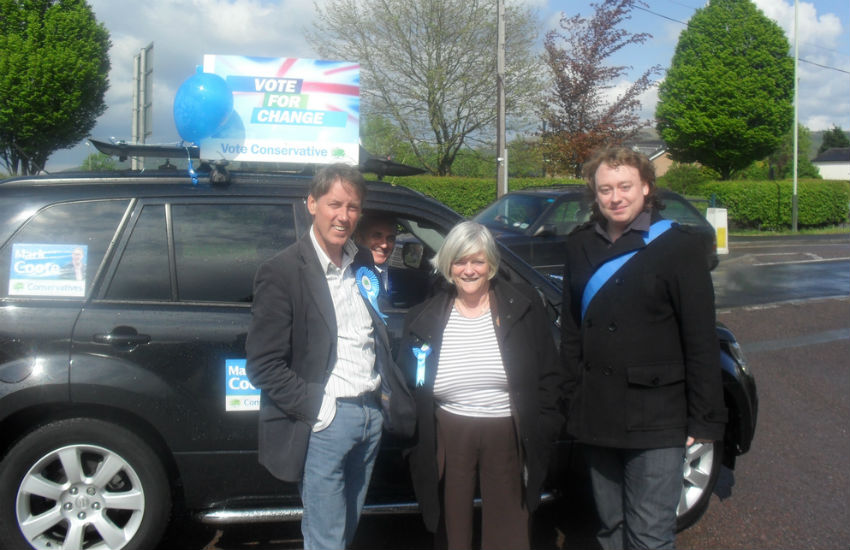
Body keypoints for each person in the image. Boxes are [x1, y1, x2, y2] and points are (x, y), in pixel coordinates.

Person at [560, 146, 728, 549]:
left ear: (646, 188)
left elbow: (701, 339)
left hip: (657, 413)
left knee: (650, 532)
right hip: (598, 411)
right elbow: (571, 331)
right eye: (605, 189)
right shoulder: (580, 244)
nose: (615, 197)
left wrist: (704, 421)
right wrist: (570, 397)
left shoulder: (679, 247)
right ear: (594, 194)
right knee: (610, 528)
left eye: (624, 186)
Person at [245, 163, 412, 550]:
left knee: (346, 530)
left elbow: (374, 334)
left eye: (353, 207)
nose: (344, 215)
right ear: (312, 203)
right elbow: (262, 364)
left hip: (370, 416)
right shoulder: (282, 272)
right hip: (327, 422)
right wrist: (320, 409)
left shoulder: (362, 265)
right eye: (334, 204)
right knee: (325, 539)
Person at [398, 221, 564, 550]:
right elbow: (409, 384)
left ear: (491, 263)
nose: (469, 270)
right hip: (448, 429)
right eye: (460, 261)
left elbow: (549, 375)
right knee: (451, 529)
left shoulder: (523, 306)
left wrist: (545, 426)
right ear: (447, 265)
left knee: (508, 529)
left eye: (478, 261)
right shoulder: (424, 316)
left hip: (505, 428)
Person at [355, 212, 398, 294]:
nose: (384, 245)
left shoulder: (386, 272)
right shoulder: (350, 274)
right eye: (377, 236)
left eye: (390, 239)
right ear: (359, 238)